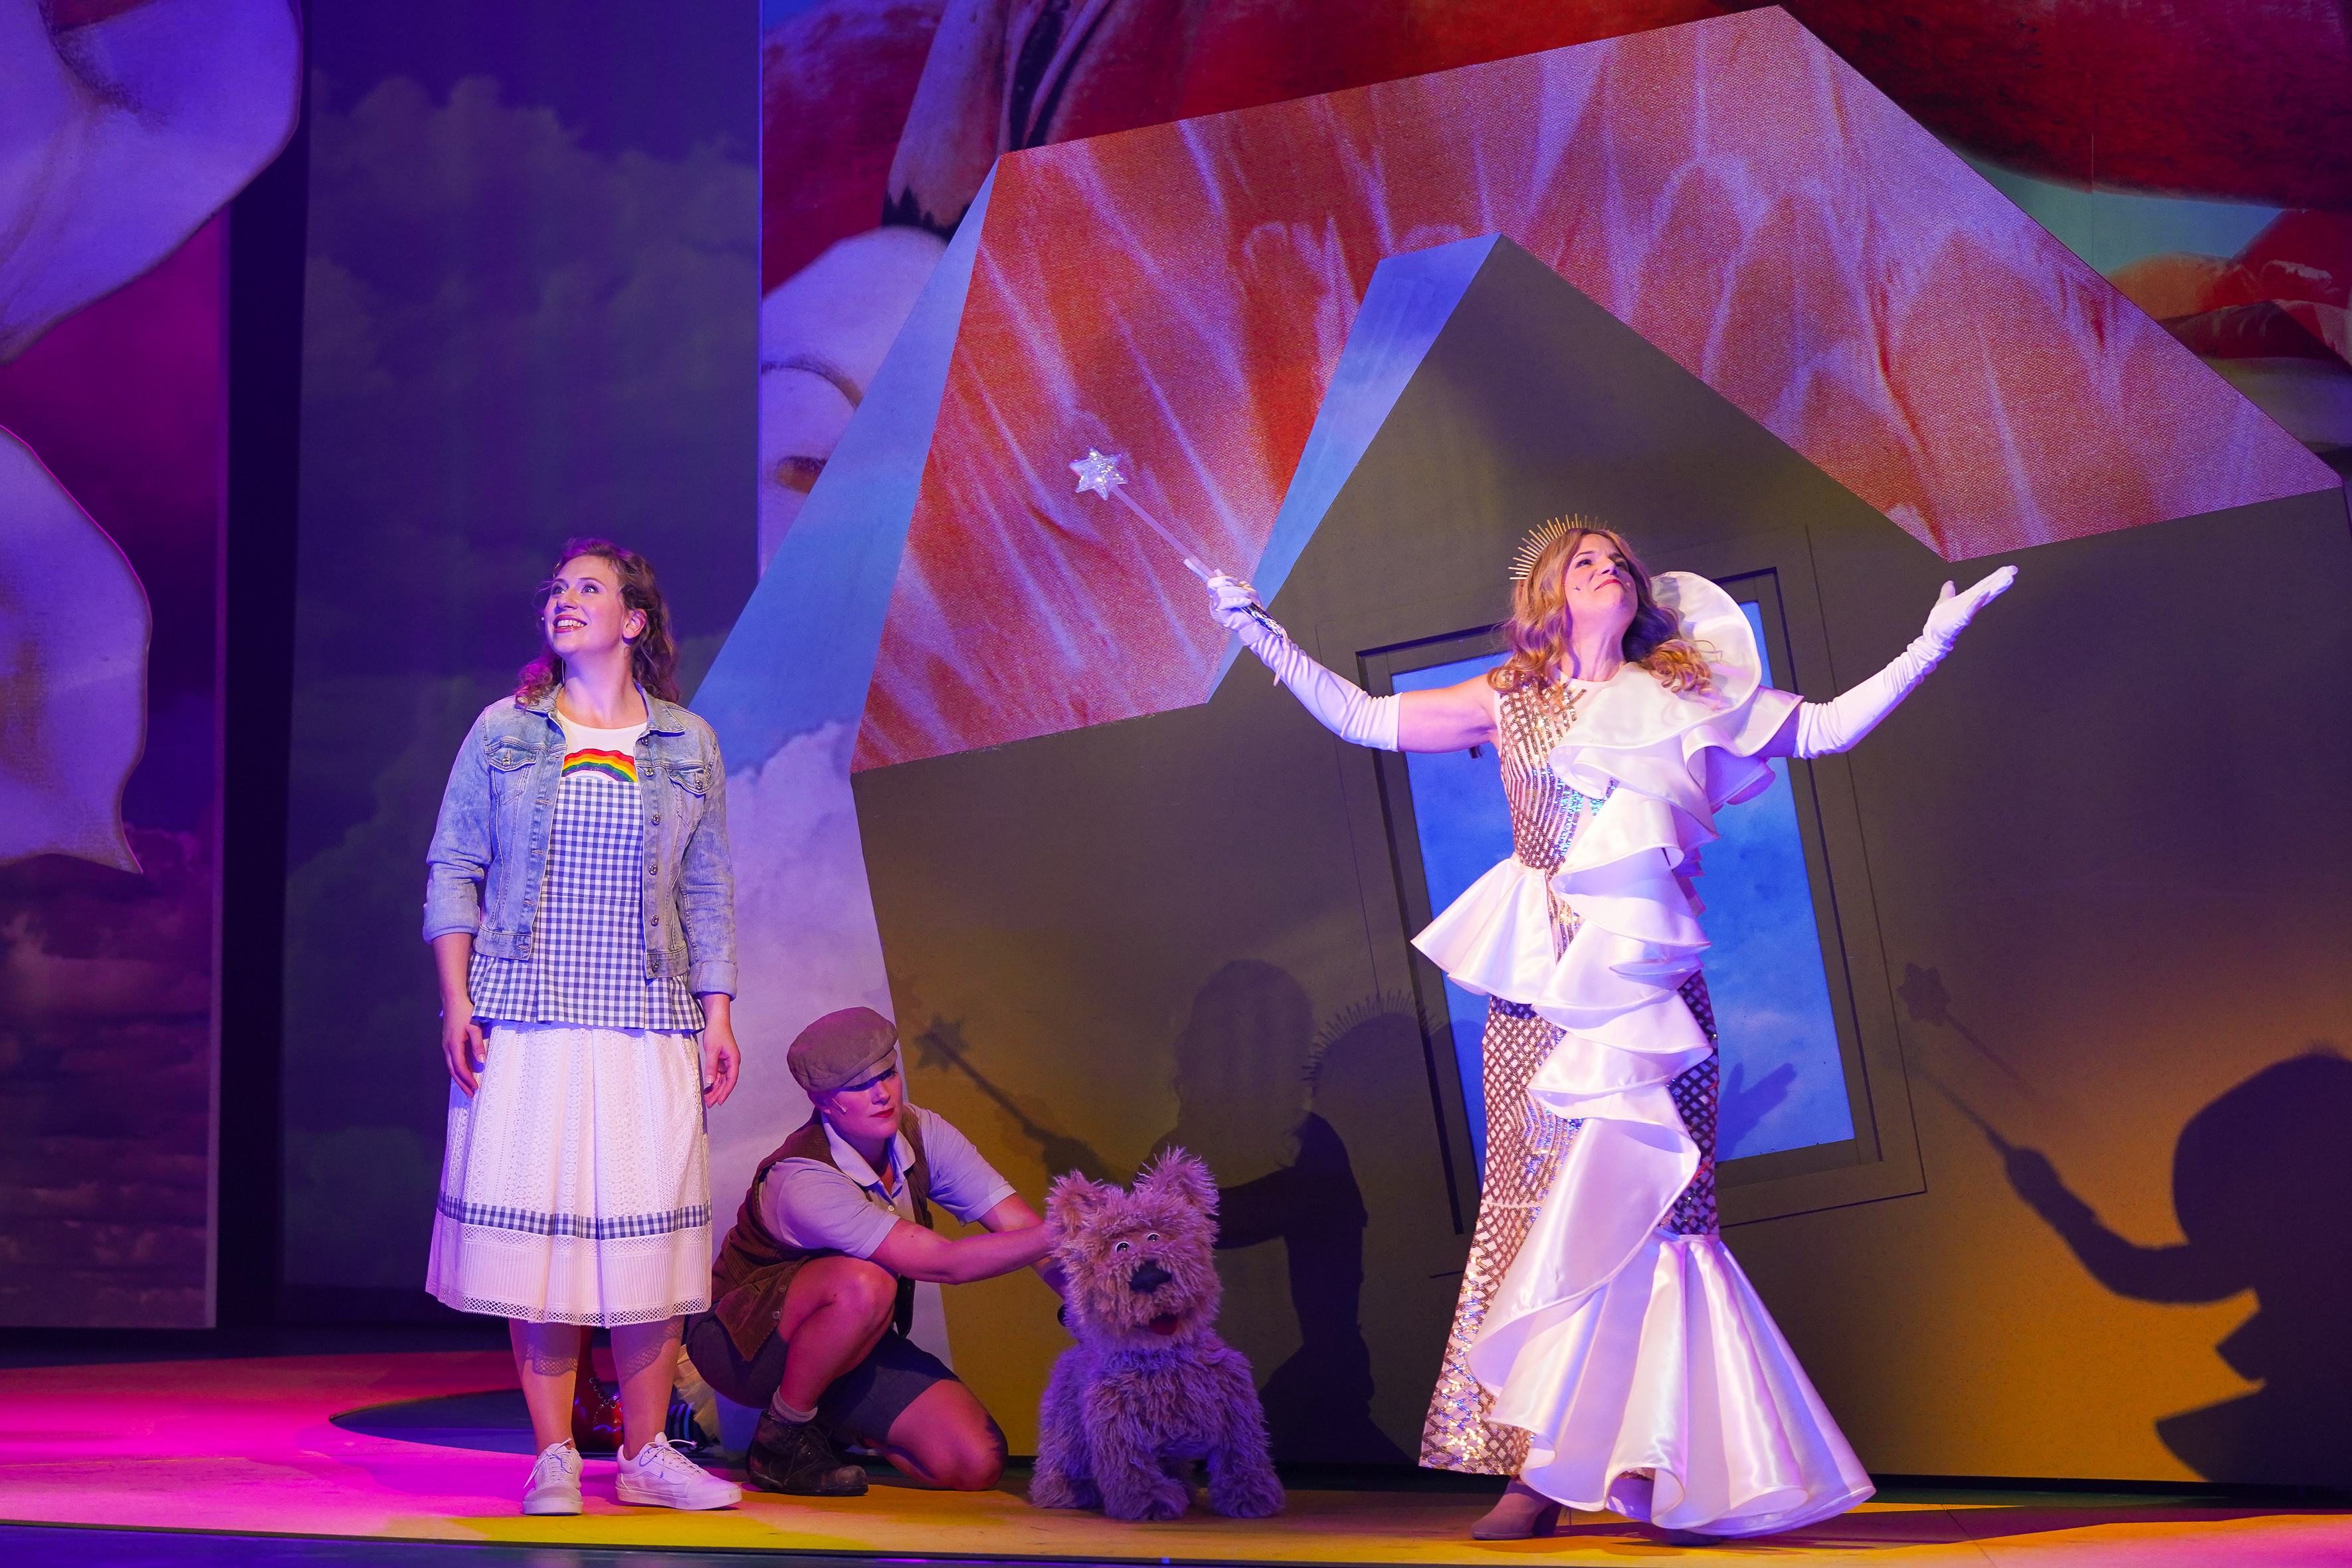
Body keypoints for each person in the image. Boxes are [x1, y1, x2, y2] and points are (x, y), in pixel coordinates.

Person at [1203, 521, 2014, 1543]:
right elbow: (1364, 717)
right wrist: (1260, 633)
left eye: (1619, 560)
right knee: (1542, 1207)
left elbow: (1823, 730)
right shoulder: (1510, 698)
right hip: (1540, 983)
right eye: (1585, 560)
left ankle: (1666, 1464)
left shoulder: (1683, 693)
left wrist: (1932, 642)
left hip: (1648, 986)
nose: (1609, 569)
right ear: (1550, 592)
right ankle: (1536, 1472)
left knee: (1661, 1207)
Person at [423, 537, 743, 1517]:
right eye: (558, 588)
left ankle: (647, 1455)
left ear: (633, 620)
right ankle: (555, 1453)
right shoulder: (506, 730)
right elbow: (454, 867)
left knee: (647, 1250)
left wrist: (718, 1013)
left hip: (647, 1017)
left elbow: (707, 889)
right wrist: (458, 1000)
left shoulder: (687, 741)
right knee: (544, 1252)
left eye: (589, 588)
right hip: (528, 1016)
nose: (565, 599)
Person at [688, 1006, 1061, 1497]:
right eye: (858, 1085)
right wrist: (1077, 1230)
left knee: (976, 1463)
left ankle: (829, 1423)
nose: (882, 1093)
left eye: (887, 1074)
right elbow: (944, 1264)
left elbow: (1022, 1229)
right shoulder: (801, 1178)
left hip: (845, 1340)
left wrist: (1090, 1306)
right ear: (823, 1100)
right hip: (741, 1343)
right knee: (867, 1282)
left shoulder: (922, 1132)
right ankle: (782, 1439)